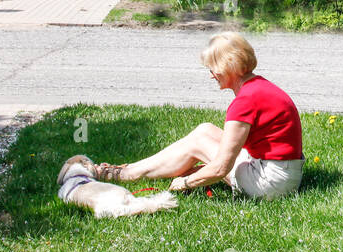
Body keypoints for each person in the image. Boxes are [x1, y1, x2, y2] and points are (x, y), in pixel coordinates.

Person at [94, 31, 304, 200]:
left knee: (199, 144)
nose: (211, 74)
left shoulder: (244, 102)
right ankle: (131, 171)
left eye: (213, 68)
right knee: (205, 131)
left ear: (228, 66)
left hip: (272, 184)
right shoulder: (258, 87)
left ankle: (128, 174)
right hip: (283, 173)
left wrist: (186, 182)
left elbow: (221, 167)